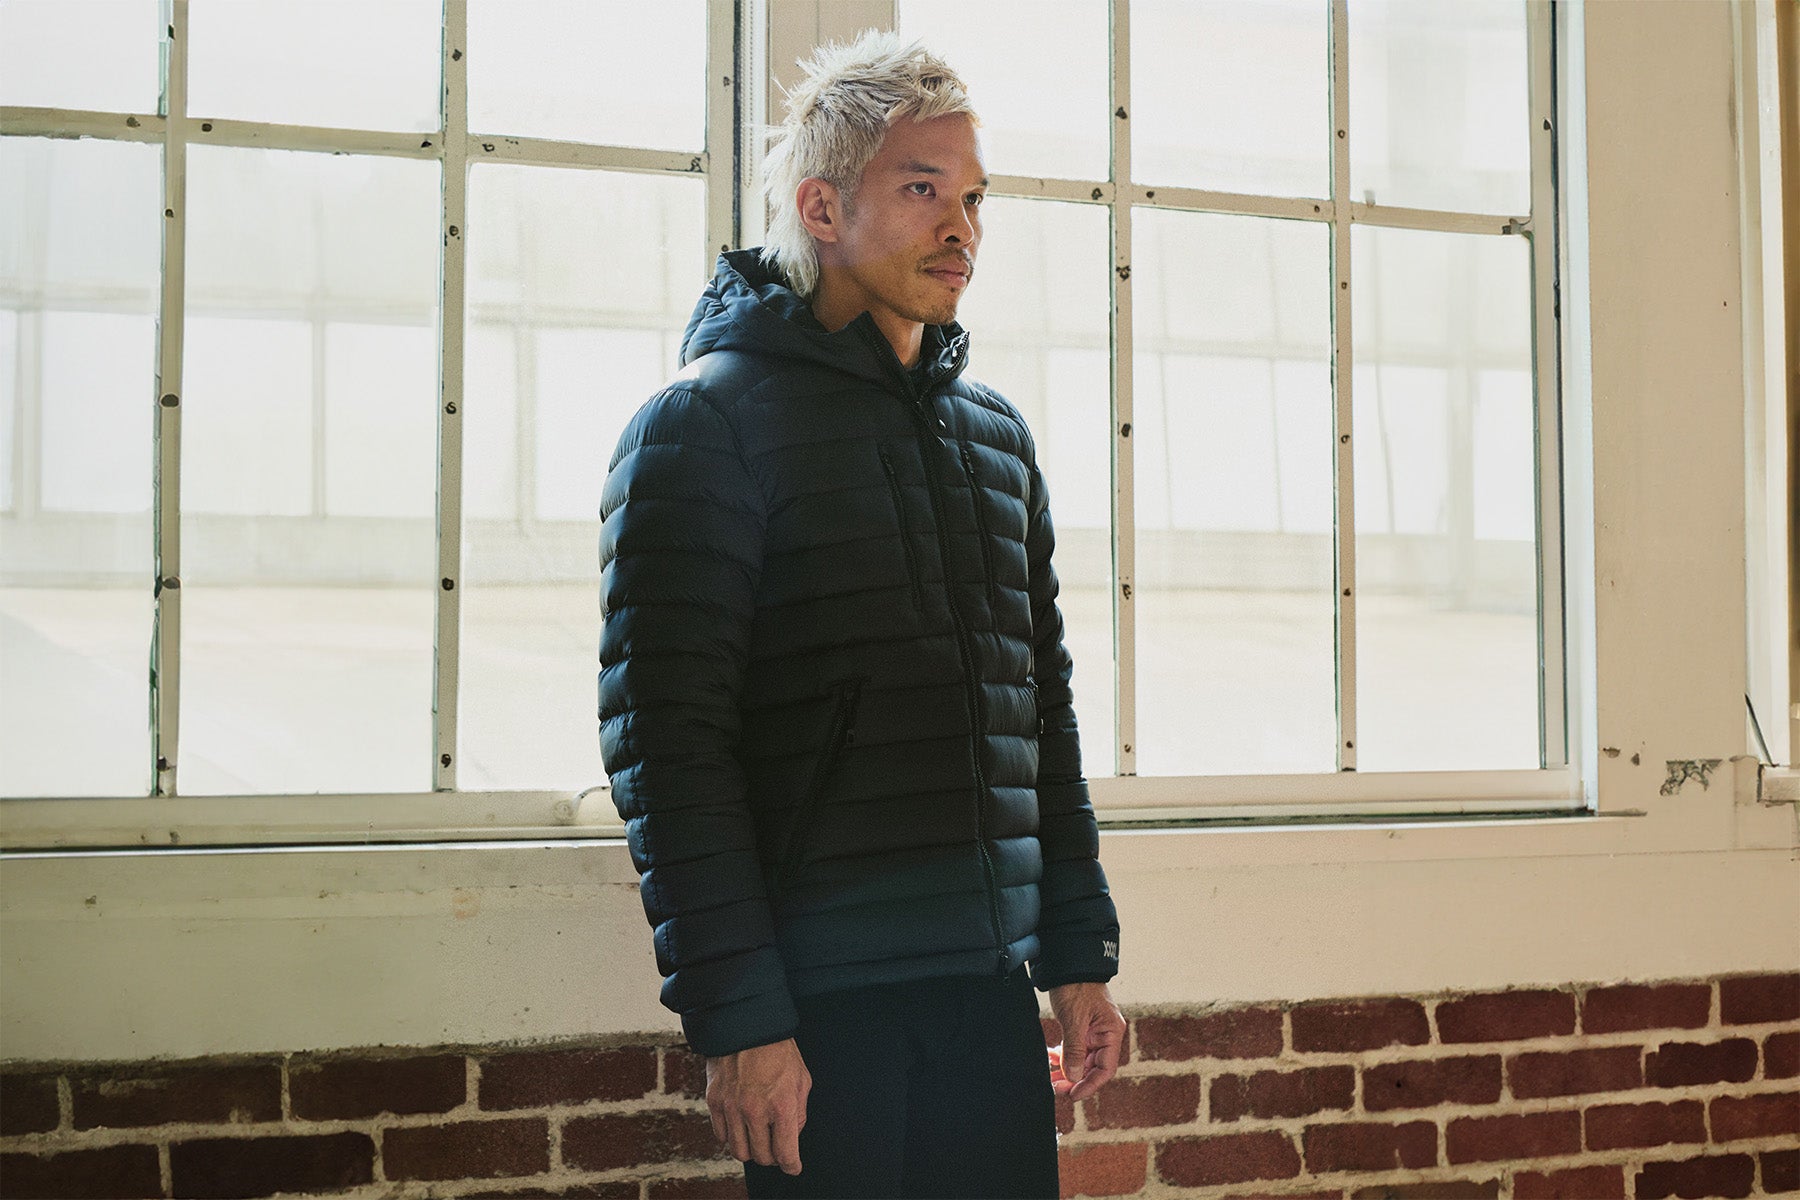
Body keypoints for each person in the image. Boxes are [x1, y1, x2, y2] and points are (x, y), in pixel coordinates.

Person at [598, 29, 1124, 1199]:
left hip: (986, 995)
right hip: (819, 1015)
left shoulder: (996, 441)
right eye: (923, 190)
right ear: (823, 208)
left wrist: (1078, 954)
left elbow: (1039, 713)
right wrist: (742, 1021)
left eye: (974, 198)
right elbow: (668, 750)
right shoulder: (703, 428)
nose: (963, 229)